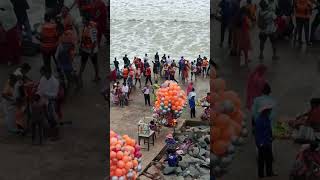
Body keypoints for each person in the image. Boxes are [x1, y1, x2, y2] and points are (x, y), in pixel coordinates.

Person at [255, 105, 277, 178]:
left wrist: (271, 136)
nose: (269, 112)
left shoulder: (267, 119)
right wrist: (259, 143)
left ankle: (269, 172)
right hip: (262, 143)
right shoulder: (259, 121)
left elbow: (269, 129)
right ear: (265, 112)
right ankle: (261, 174)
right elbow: (257, 133)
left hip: (268, 141)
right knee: (262, 160)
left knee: (269, 159)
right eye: (268, 111)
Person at [79, 16, 100, 87]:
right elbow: (83, 38)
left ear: (88, 21)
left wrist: (91, 52)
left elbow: (94, 42)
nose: (82, 22)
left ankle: (97, 76)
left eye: (83, 20)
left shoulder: (92, 29)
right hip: (85, 49)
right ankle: (79, 77)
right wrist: (81, 47)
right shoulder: (84, 27)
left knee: (95, 64)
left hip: (92, 50)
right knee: (83, 64)